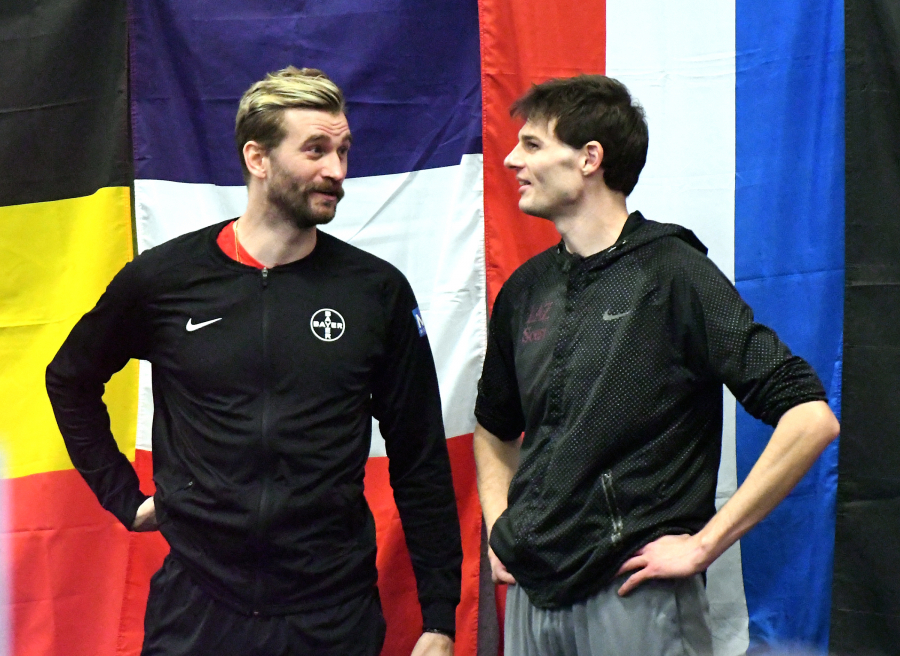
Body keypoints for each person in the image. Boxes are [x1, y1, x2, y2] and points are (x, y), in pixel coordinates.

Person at [46, 67, 461, 656]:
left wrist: (439, 618)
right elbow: (70, 379)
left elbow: (419, 457)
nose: (337, 171)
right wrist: (122, 496)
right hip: (198, 610)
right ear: (258, 158)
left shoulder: (376, 292)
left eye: (343, 151)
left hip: (331, 615)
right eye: (316, 150)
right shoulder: (166, 280)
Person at [472, 75, 840, 655]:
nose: (513, 159)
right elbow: (494, 426)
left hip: (632, 594)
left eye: (534, 145)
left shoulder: (673, 273)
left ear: (590, 158)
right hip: (531, 594)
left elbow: (811, 417)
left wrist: (703, 546)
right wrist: (500, 528)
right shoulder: (525, 288)